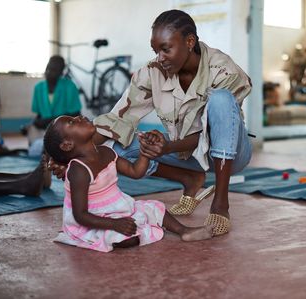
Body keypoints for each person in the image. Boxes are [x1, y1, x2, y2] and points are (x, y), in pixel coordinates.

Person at [49, 10, 253, 236]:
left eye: (166, 49)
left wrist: (169, 146)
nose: (160, 58)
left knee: (222, 99)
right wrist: (63, 154)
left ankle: (220, 203)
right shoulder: (153, 72)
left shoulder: (222, 68)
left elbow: (211, 131)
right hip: (188, 156)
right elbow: (118, 120)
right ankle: (190, 178)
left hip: (229, 155)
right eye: (156, 51)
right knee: (114, 149)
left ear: (189, 41)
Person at [43, 115, 214, 252]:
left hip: (118, 207)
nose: (79, 117)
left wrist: (145, 151)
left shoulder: (106, 152)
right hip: (94, 217)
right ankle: (122, 231)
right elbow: (80, 215)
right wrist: (114, 224)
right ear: (67, 145)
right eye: (72, 122)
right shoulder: (78, 170)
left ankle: (184, 231)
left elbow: (135, 171)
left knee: (156, 207)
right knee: (126, 237)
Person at [24, 55, 82, 156]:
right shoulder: (38, 88)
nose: (49, 72)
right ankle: (43, 150)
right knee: (32, 129)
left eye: (54, 70)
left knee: (67, 137)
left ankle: (46, 150)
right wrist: (32, 123)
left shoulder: (70, 86)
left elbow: (75, 114)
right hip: (46, 129)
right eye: (48, 68)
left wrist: (50, 121)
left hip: (63, 129)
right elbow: (39, 115)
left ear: (61, 73)